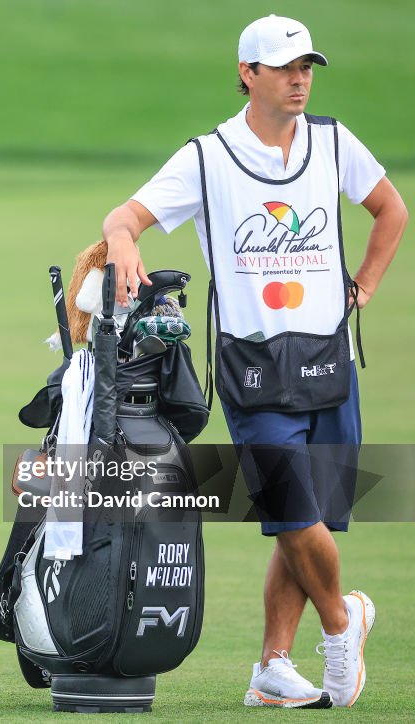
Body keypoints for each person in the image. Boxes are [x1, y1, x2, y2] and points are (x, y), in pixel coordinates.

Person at [98, 14, 407, 709]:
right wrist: (121, 242)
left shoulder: (331, 142)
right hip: (254, 364)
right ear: (248, 73)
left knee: (307, 520)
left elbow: (391, 210)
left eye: (307, 68)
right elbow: (125, 216)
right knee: (292, 512)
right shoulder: (208, 157)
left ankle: (272, 667)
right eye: (285, 67)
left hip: (330, 359)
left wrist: (365, 286)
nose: (300, 79)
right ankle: (342, 621)